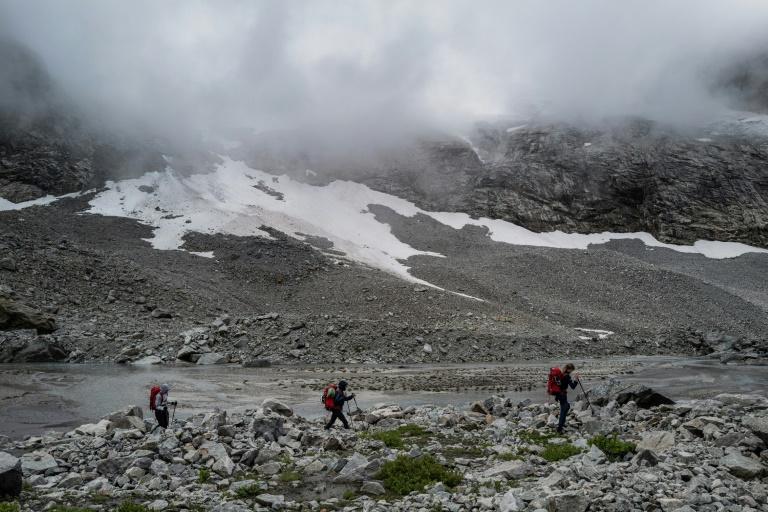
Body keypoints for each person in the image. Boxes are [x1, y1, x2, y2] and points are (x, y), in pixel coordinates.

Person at [553, 363, 579, 434]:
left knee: (566, 407)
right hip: (563, 395)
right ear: (568, 369)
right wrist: (576, 379)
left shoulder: (560, 374)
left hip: (559, 394)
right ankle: (559, 428)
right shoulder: (567, 376)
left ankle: (562, 423)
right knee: (563, 410)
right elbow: (573, 386)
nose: (571, 371)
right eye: (571, 370)